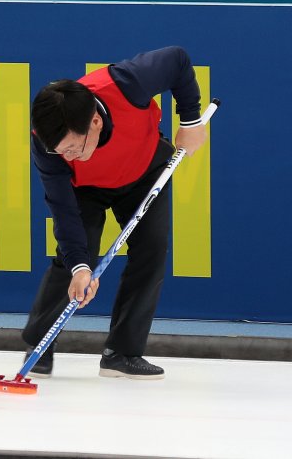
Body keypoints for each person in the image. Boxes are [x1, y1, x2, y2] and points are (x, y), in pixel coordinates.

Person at [22, 46, 207, 380]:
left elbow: (177, 60)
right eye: (61, 152)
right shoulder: (47, 142)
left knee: (150, 252)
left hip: (144, 170)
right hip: (84, 191)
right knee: (73, 260)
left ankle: (122, 352)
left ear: (94, 121)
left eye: (74, 148)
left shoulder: (125, 83)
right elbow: (62, 209)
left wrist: (191, 120)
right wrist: (81, 266)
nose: (69, 155)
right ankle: (39, 344)